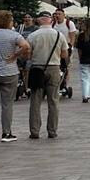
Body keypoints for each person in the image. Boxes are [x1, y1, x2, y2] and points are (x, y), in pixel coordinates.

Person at [0, 10, 31, 142]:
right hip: (9, 72)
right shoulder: (14, 35)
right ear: (8, 22)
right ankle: (6, 133)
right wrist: (15, 55)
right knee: (7, 104)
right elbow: (26, 46)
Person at [27, 10, 69, 139]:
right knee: (53, 101)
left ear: (39, 20)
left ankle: (34, 131)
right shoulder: (59, 35)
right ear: (51, 20)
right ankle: (52, 130)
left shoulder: (32, 36)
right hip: (54, 68)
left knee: (35, 101)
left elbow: (28, 54)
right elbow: (64, 54)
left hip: (37, 68)